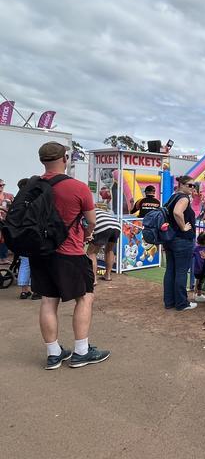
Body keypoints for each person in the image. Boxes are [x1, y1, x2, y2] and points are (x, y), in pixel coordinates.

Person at [29, 141, 110, 369]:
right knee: (85, 297)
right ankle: (81, 351)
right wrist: (86, 234)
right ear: (65, 158)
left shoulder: (33, 185)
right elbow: (92, 220)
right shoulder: (77, 188)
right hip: (70, 252)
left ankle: (54, 354)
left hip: (41, 252)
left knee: (48, 300)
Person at [163, 176, 197, 311]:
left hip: (170, 239)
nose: (192, 188)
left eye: (194, 185)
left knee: (171, 270)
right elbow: (178, 212)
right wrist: (183, 227)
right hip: (182, 239)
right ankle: (182, 303)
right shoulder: (183, 198)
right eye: (190, 185)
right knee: (181, 272)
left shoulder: (172, 197)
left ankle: (169, 301)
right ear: (181, 185)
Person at [14, 178, 40, 300]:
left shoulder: (16, 202)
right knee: (37, 263)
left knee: (25, 263)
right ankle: (36, 291)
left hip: (21, 235)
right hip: (34, 235)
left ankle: (24, 291)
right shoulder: (35, 200)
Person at [86, 205, 121, 284]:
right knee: (109, 250)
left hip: (102, 226)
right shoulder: (103, 211)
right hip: (116, 226)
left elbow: (89, 224)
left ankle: (93, 279)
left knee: (91, 253)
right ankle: (107, 275)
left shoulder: (87, 211)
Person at [192, 232, 205, 303]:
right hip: (200, 268)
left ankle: (195, 294)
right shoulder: (197, 248)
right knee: (200, 281)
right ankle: (199, 294)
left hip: (200, 268)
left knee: (198, 280)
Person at [0, 178, 14, 264]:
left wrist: (10, 204)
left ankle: (3, 258)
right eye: (0, 185)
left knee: (4, 237)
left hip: (6, 220)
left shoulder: (9, 196)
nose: (1, 187)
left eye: (2, 185)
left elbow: (15, 207)